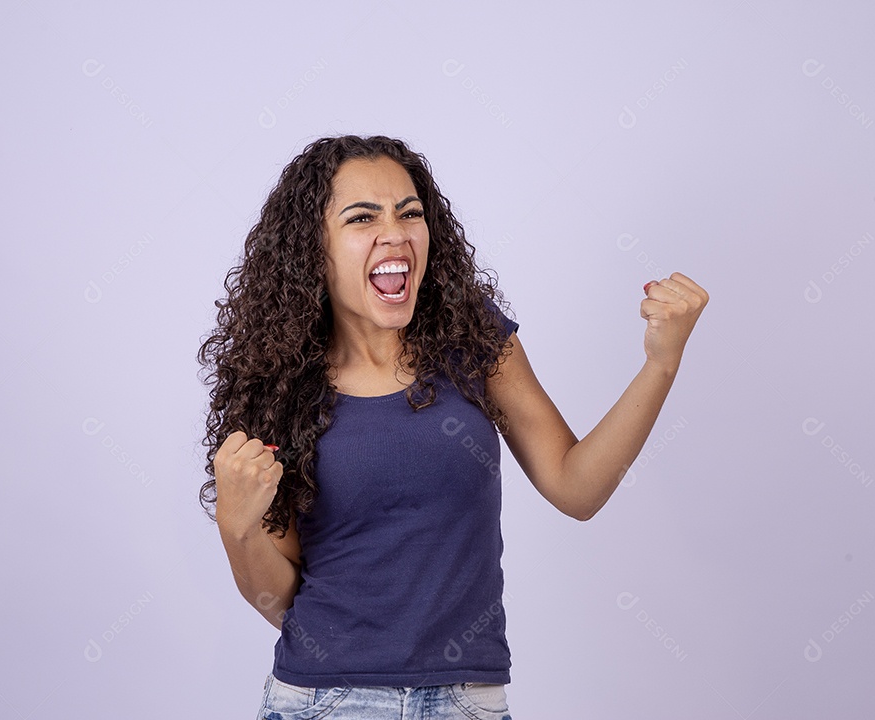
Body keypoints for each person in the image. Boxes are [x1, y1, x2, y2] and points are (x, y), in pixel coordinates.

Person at [197, 134, 708, 719]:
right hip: (328, 701)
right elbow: (283, 602)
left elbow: (577, 488)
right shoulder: (280, 384)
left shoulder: (472, 339)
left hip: (470, 702)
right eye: (362, 218)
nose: (395, 234)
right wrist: (237, 527)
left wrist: (661, 364)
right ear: (314, 249)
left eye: (409, 213)